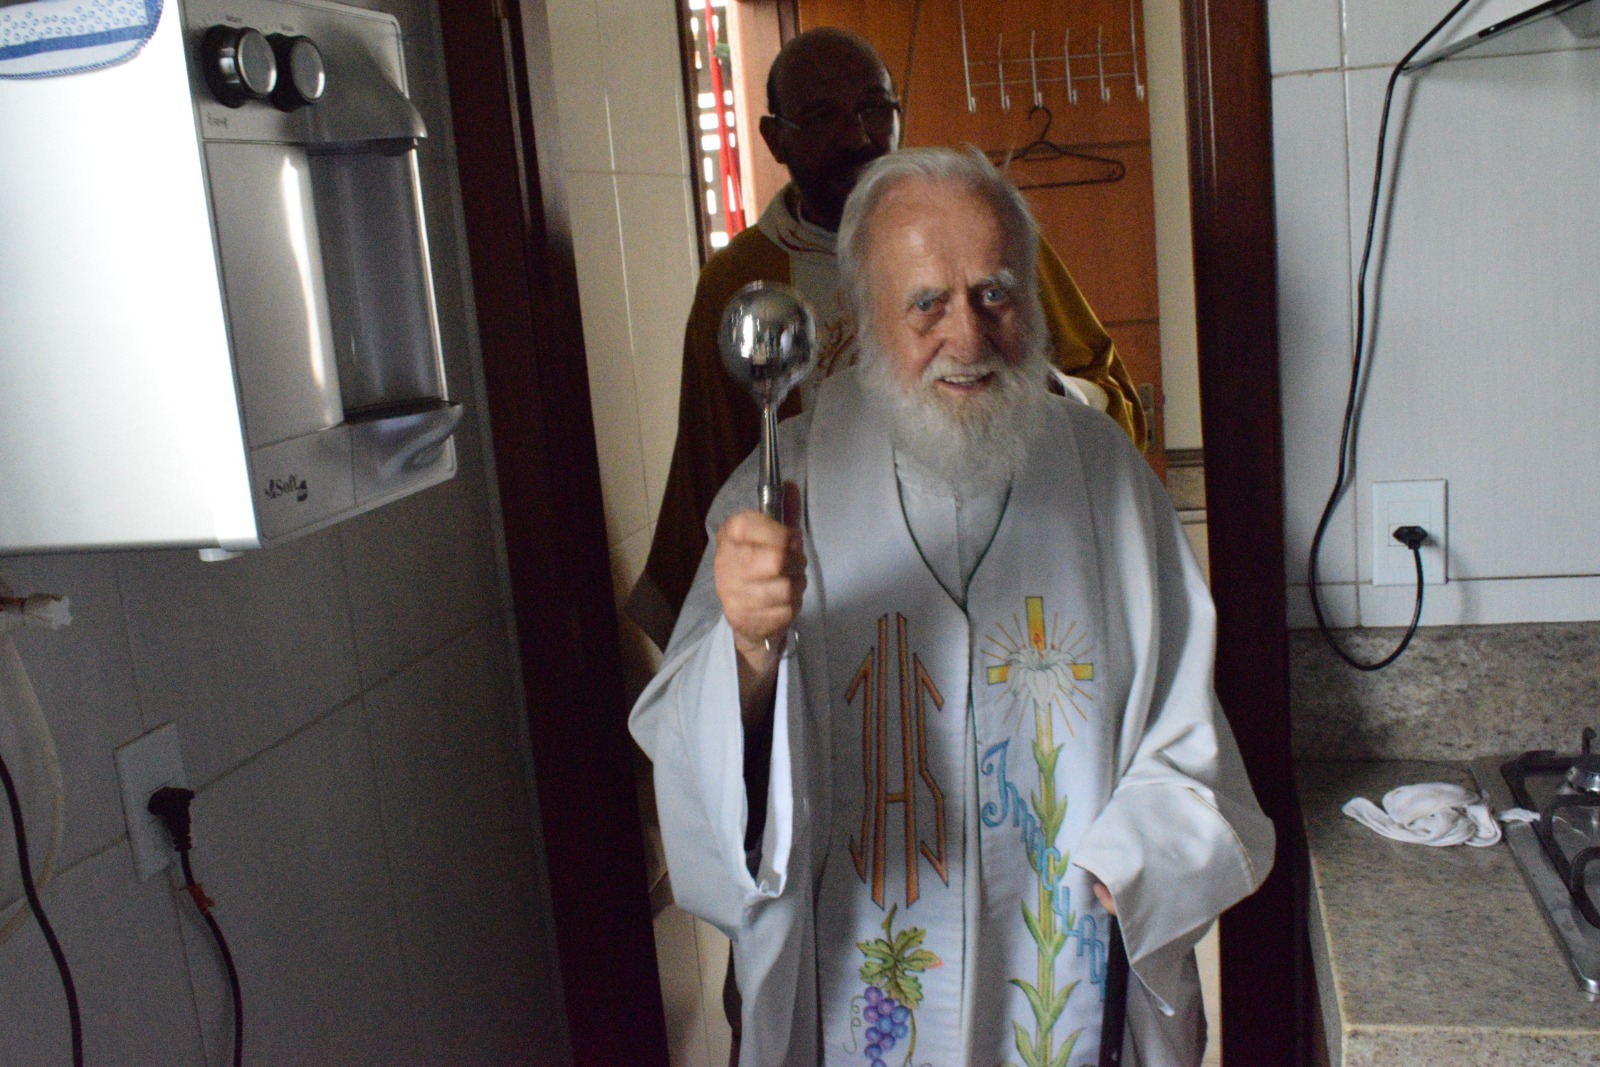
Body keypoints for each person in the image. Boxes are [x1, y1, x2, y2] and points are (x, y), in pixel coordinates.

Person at [628, 148, 1273, 1067]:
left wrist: (1143, 853)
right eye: (926, 302)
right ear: (862, 319)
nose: (968, 338)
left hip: (1061, 961)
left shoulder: (1106, 477)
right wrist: (746, 647)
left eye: (995, 295)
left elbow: (1189, 739)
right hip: (855, 983)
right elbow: (697, 773)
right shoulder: (779, 487)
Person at [626, 27, 1146, 649]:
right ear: (775, 138)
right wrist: (735, 627)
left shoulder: (981, 241)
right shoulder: (742, 282)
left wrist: (1042, 395)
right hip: (836, 601)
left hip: (1016, 567)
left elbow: (1104, 391)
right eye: (822, 117)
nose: (858, 136)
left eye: (875, 109)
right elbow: (710, 471)